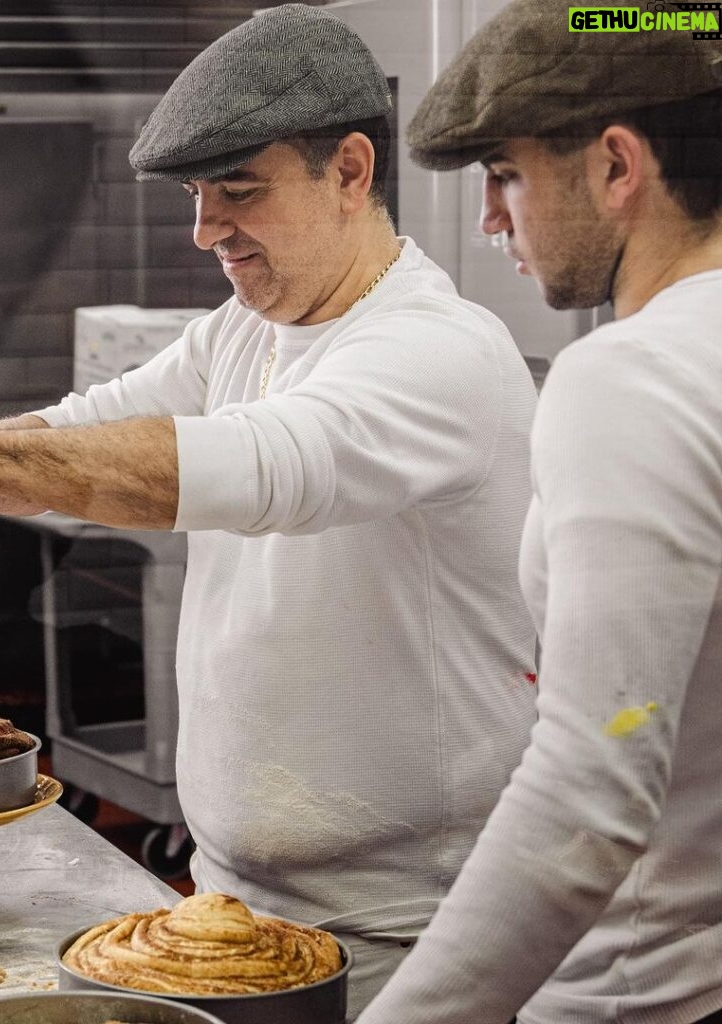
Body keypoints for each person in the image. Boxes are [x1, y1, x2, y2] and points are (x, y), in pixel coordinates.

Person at [0, 4, 538, 1013]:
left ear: (349, 172)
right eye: (195, 193)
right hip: (227, 905)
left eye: (238, 191)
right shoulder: (241, 332)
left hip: (407, 931)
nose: (205, 229)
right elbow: (92, 422)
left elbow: (246, 467)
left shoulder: (436, 351)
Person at [358, 2, 722, 1022]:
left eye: (506, 173)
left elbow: (588, 791)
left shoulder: (631, 377)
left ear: (616, 165)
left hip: (641, 991)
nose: (487, 218)